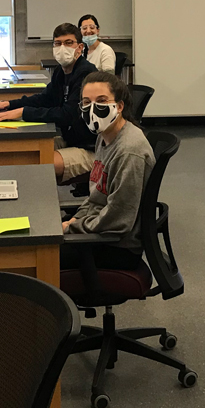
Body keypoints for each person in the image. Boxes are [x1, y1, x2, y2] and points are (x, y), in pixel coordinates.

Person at [61, 71, 156, 290]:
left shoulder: (129, 151)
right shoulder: (104, 138)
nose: (92, 109)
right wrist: (74, 220)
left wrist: (73, 227)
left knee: (36, 258)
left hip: (115, 246)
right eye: (86, 102)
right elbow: (97, 196)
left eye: (101, 101)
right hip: (98, 231)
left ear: (120, 106)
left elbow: (118, 221)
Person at [0, 23, 98, 181]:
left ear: (80, 47)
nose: (62, 48)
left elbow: (68, 115)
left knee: (35, 164)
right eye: (57, 43)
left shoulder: (86, 73)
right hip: (71, 138)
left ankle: (44, 204)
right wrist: (8, 104)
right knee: (22, 152)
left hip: (90, 148)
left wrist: (23, 112)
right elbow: (44, 98)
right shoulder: (61, 72)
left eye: (68, 43)